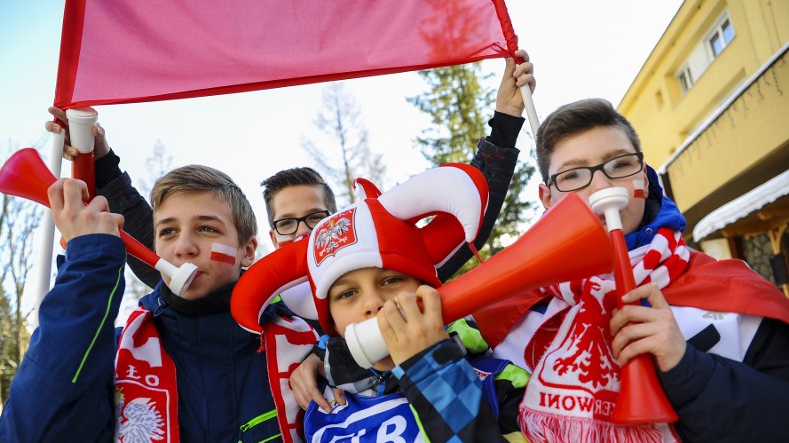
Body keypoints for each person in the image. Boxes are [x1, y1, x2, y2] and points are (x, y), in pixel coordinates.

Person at [46, 50, 537, 413]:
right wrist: (101, 162)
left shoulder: (381, 270)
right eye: (287, 221)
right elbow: (168, 257)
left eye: (316, 217)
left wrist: (505, 126)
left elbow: (465, 216)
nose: (303, 230)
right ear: (266, 238)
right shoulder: (259, 301)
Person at [471, 98, 789, 443]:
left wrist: (690, 371)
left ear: (643, 177)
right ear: (548, 199)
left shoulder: (729, 291)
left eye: (619, 165)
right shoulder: (512, 320)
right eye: (574, 175)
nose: (601, 184)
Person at [232, 165, 566, 443]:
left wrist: (434, 372)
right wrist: (326, 360)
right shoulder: (320, 402)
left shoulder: (498, 383)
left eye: (390, 280)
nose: (372, 304)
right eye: (348, 293)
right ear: (332, 322)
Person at [0, 166, 309, 443]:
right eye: (167, 232)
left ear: (248, 250)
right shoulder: (120, 353)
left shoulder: (303, 347)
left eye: (207, 229)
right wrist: (88, 265)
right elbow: (40, 434)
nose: (183, 247)